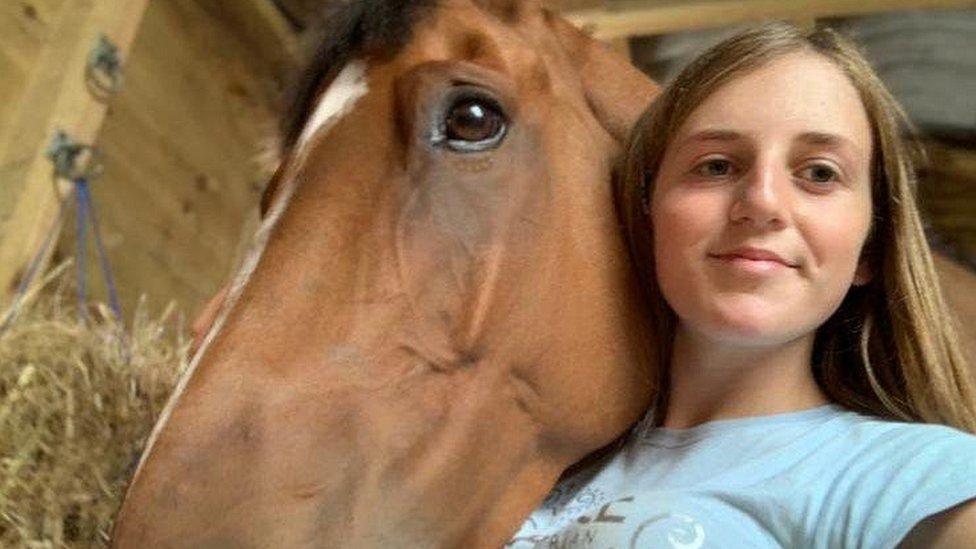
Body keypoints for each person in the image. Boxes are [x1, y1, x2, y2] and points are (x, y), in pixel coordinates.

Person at [508, 22, 976, 548]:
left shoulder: (919, 478)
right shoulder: (528, 458)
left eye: (819, 173)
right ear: (649, 215)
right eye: (716, 165)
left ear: (869, 249)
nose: (763, 202)